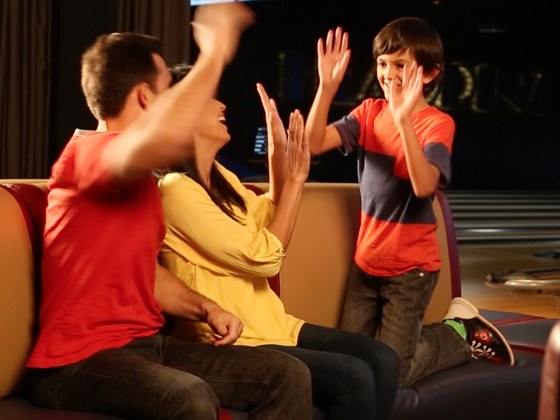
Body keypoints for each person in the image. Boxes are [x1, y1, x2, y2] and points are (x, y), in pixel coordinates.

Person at [25, 4, 315, 420]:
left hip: (145, 346)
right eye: (169, 91)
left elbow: (145, 273)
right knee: (189, 397)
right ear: (146, 97)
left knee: (287, 375)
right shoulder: (87, 156)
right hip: (75, 364)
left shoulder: (140, 182)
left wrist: (206, 308)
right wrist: (214, 53)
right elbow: (167, 138)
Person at [157, 79, 400, 420]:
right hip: (234, 339)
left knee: (382, 357)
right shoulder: (175, 189)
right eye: (209, 99)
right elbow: (266, 258)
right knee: (353, 377)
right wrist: (297, 178)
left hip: (272, 325)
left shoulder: (220, 177)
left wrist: (277, 151)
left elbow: (272, 214)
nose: (222, 106)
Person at [304, 18, 515, 387]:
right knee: (347, 363)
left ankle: (458, 333)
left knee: (392, 374)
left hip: (410, 272)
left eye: (401, 65)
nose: (389, 74)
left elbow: (423, 186)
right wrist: (326, 88)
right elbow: (312, 143)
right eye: (383, 64)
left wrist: (403, 121)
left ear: (429, 73)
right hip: (365, 265)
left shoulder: (437, 124)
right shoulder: (369, 113)